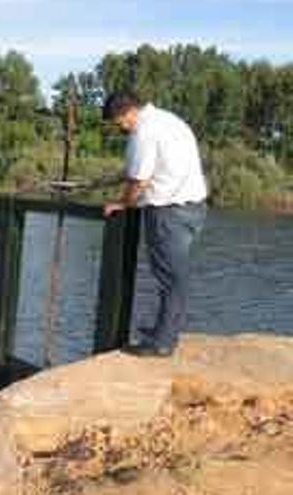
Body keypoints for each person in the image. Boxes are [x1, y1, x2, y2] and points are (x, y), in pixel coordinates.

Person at [102, 93, 208, 357]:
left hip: (168, 213)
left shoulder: (144, 131)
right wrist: (110, 179)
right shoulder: (168, 121)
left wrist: (122, 204)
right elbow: (141, 170)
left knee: (171, 279)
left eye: (118, 123)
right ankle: (164, 331)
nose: (120, 128)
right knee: (174, 277)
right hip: (193, 209)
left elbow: (139, 180)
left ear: (127, 112)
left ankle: (162, 343)